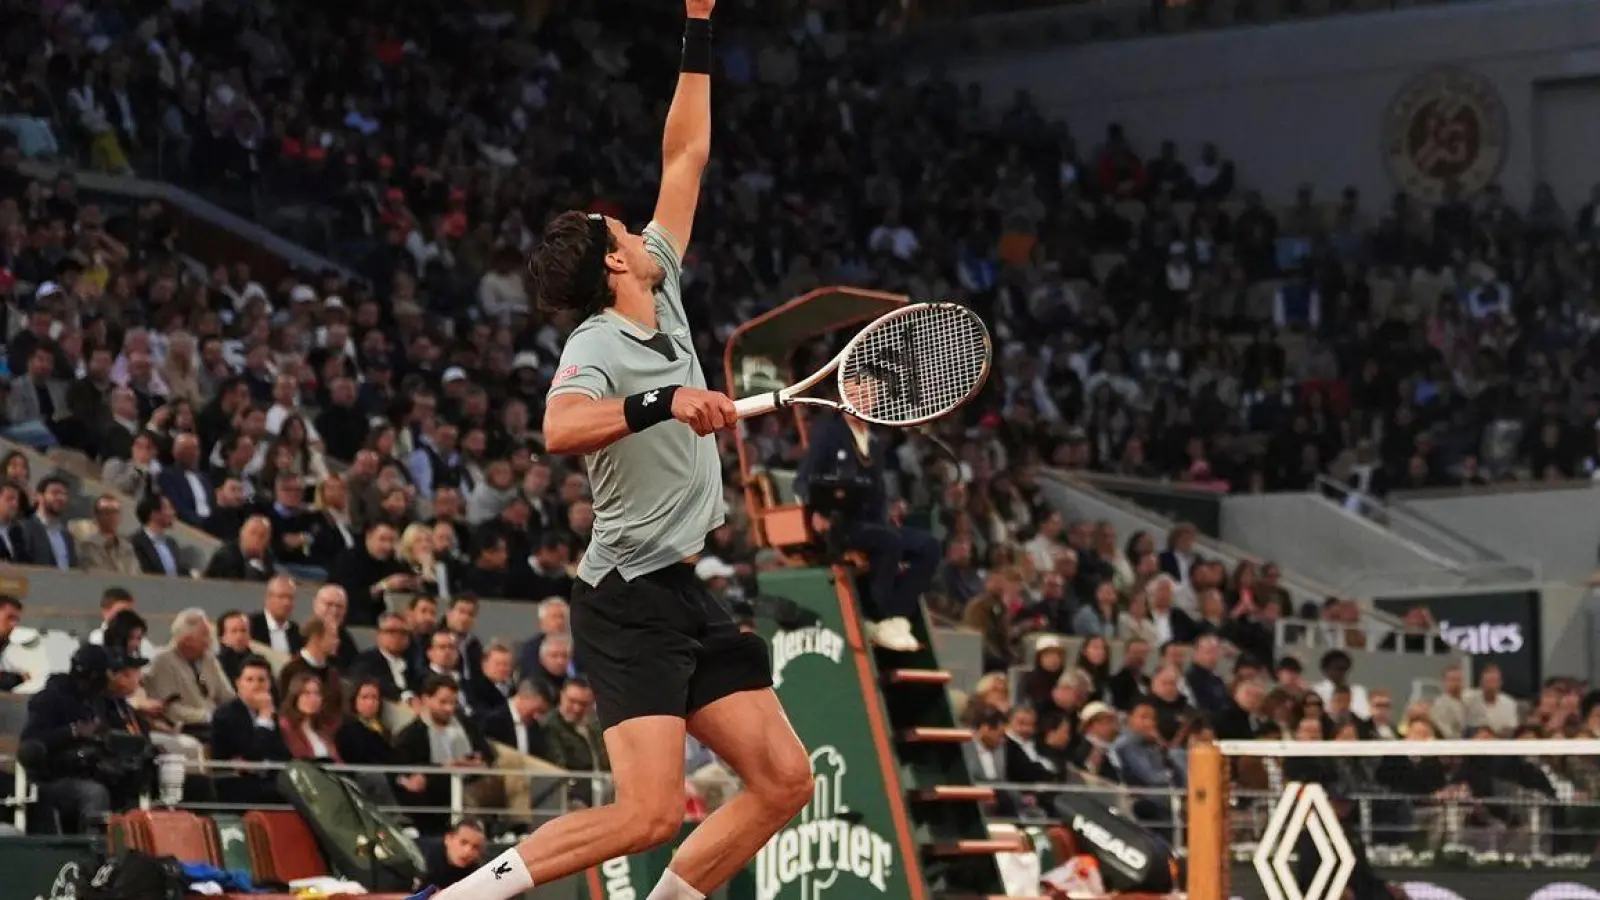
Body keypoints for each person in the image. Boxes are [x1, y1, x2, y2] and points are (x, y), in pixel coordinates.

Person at [408, 3, 812, 895]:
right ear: (615, 265)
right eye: (621, 230)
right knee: (647, 816)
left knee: (785, 780)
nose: (635, 227)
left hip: (682, 587)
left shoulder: (661, 285)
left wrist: (698, 23)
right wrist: (665, 400)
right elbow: (558, 429)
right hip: (627, 597)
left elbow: (685, 154)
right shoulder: (595, 343)